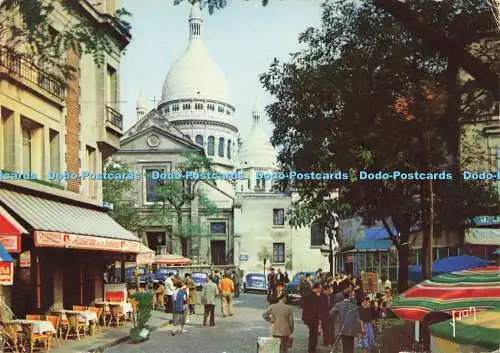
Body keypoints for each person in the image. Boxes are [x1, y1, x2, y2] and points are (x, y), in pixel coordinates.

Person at [301, 281, 323, 353]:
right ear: (316, 288)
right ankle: (312, 349)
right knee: (314, 334)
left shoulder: (307, 295)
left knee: (312, 333)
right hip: (314, 318)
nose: (321, 290)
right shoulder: (316, 296)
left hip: (308, 318)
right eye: (320, 288)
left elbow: (302, 305)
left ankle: (311, 348)